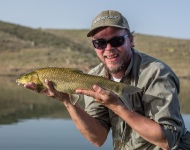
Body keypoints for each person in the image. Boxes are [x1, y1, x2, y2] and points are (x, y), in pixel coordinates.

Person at [24, 10, 190, 150]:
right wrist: (67, 101)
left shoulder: (156, 73)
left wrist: (116, 105)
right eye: (100, 43)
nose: (108, 49)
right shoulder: (93, 76)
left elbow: (168, 141)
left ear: (131, 40)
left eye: (116, 41)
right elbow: (98, 138)